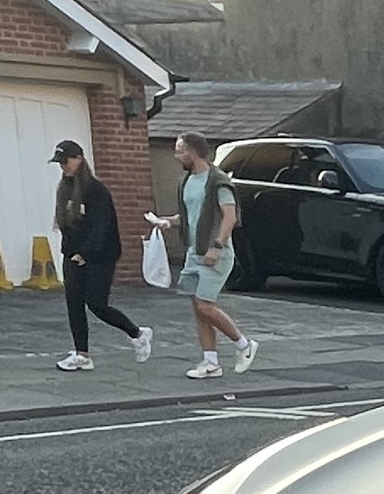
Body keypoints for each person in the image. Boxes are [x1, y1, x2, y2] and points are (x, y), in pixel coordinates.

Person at [50, 139, 152, 371]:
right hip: (73, 254)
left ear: (79, 159)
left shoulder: (96, 190)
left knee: (97, 304)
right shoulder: (64, 189)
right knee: (73, 303)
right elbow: (66, 224)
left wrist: (86, 253)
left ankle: (137, 333)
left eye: (66, 161)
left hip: (101, 255)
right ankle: (82, 354)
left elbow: (102, 226)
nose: (63, 167)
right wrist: (70, 251)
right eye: (60, 163)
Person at [172, 131, 258, 381]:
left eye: (180, 150)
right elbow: (192, 216)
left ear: (193, 152)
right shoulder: (186, 182)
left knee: (204, 306)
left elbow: (229, 217)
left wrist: (217, 246)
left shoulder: (217, 181)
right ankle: (210, 362)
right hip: (193, 251)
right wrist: (169, 222)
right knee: (197, 309)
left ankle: (244, 344)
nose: (177, 155)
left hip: (215, 253)